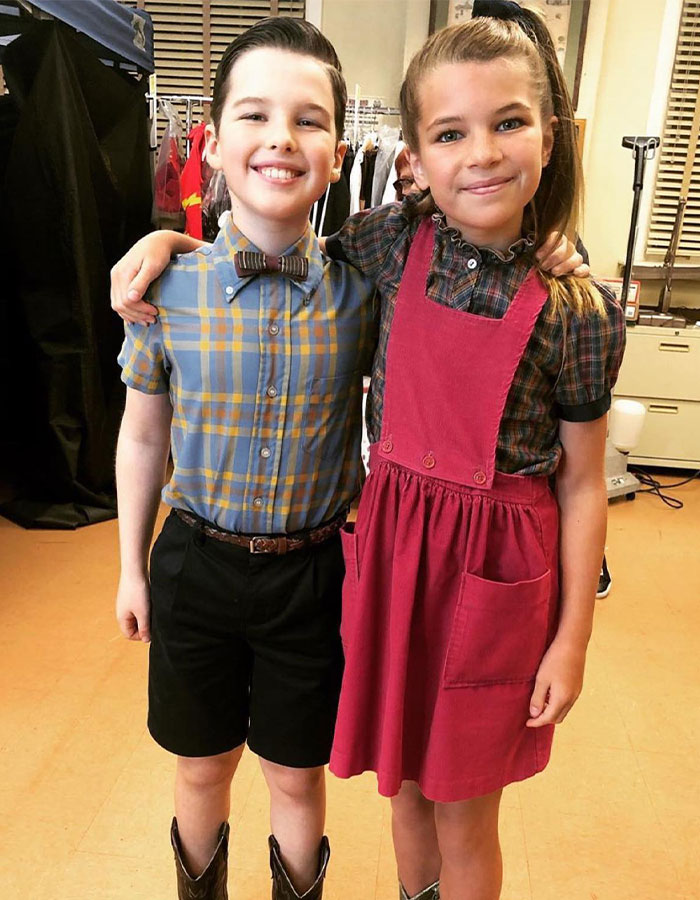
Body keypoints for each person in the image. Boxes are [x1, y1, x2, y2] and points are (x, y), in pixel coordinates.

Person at [320, 4, 626, 900]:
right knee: (406, 792)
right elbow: (282, 251)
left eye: (509, 123)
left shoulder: (579, 311)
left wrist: (572, 640)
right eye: (451, 133)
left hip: (497, 578)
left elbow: (581, 486)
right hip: (395, 560)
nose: (483, 153)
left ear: (551, 136)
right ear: (413, 158)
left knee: (464, 812)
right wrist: (170, 244)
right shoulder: (389, 243)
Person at [115, 18, 379, 900]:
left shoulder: (361, 295)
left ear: (338, 153)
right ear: (215, 140)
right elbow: (144, 434)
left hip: (313, 575)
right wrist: (130, 570)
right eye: (254, 115)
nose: (280, 138)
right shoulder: (167, 289)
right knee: (199, 769)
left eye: (308, 120)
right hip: (195, 565)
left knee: (297, 777)